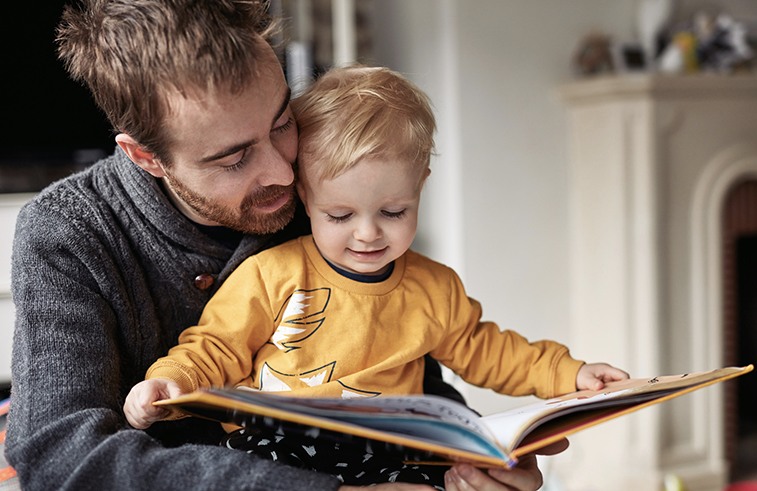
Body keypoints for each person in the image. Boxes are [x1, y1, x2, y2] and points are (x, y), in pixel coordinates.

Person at [6, 1, 572, 490]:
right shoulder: (69, 232)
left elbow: (402, 366)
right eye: (234, 158)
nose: (283, 171)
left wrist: (471, 459)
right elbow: (61, 462)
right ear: (145, 157)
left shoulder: (326, 194)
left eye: (282, 123)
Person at [123, 66, 629, 487]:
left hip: (390, 445)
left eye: (393, 211)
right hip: (284, 442)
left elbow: (489, 350)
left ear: (420, 187)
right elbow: (217, 346)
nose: (368, 235)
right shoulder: (273, 272)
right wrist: (172, 383)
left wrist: (571, 375)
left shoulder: (435, 288)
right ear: (304, 196)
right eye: (340, 216)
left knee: (452, 474)